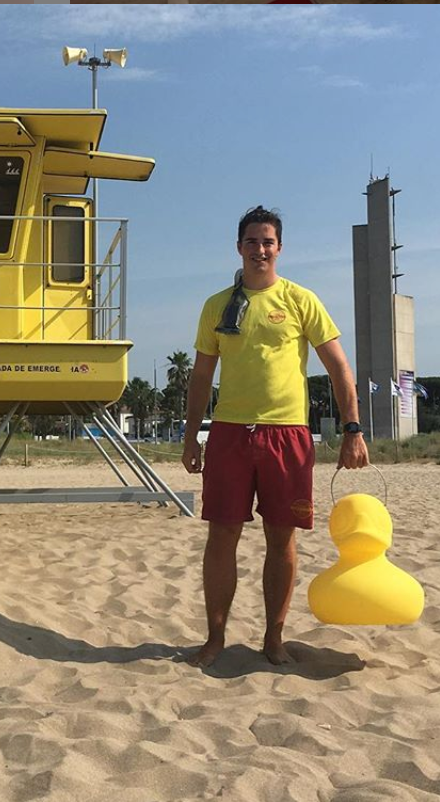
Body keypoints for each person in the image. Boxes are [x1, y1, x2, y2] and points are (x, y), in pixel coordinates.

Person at [182, 205, 368, 668]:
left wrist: (352, 429)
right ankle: (215, 637)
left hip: (287, 435)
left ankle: (273, 637)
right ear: (239, 247)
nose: (259, 249)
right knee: (222, 534)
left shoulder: (301, 300)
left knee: (281, 538)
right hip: (229, 433)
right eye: (252, 241)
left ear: (279, 248)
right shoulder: (217, 306)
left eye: (267, 242)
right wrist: (190, 437)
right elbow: (201, 377)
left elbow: (339, 367)